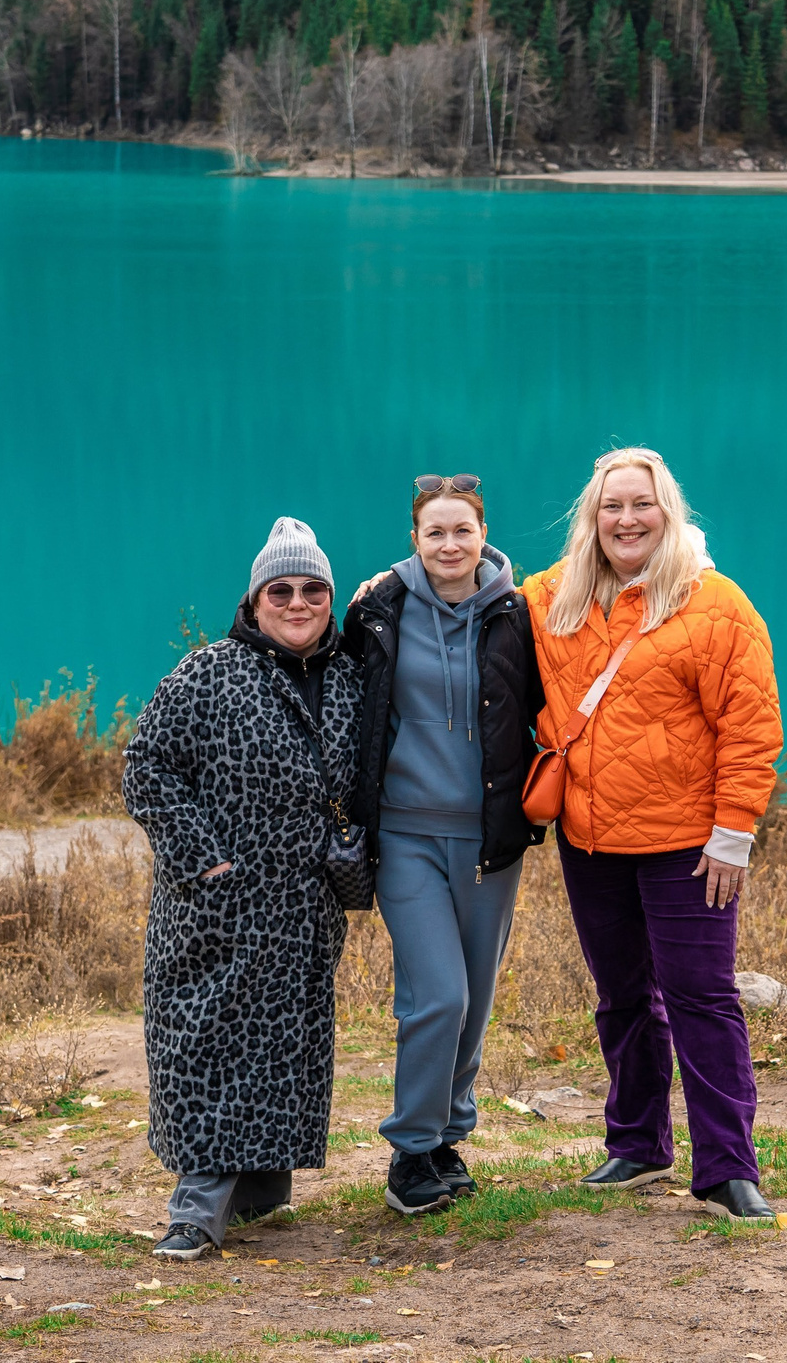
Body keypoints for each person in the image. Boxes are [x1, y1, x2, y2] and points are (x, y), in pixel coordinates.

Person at [521, 447, 784, 1222]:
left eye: (642, 505)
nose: (627, 520)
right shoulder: (555, 599)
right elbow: (470, 580)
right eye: (612, 507)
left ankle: (728, 1168)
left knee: (702, 999)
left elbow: (751, 726)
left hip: (686, 845)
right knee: (622, 998)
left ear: (668, 513)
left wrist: (732, 833)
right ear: (591, 519)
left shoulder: (714, 605)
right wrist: (386, 585)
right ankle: (638, 1144)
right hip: (592, 840)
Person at [122, 516, 361, 1261]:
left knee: (286, 1044)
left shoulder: (350, 678)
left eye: (312, 588)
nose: (297, 602)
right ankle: (195, 1211)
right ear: (253, 600)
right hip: (216, 906)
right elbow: (145, 770)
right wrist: (204, 860)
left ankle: (262, 1190)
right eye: (279, 590)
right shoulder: (207, 673)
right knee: (209, 1043)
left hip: (301, 906)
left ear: (330, 596)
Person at [342, 473, 544, 1216]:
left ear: (483, 537)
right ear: (415, 539)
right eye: (435, 532)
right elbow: (336, 686)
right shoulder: (378, 610)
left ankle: (449, 1136)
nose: (450, 545)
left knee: (476, 1000)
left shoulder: (520, 614)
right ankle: (410, 1151)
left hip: (491, 840)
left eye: (463, 531)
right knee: (439, 995)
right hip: (405, 833)